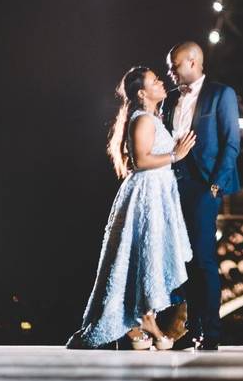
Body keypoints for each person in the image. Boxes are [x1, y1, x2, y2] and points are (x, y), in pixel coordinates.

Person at [66, 66, 197, 350]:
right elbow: (140, 161)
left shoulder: (151, 118)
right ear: (142, 92)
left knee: (145, 256)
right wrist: (176, 154)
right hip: (147, 194)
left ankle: (140, 322)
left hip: (157, 192)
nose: (162, 82)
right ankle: (144, 320)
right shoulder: (143, 120)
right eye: (155, 81)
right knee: (144, 254)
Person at [162, 42, 241, 351]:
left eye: (174, 65)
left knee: (204, 260)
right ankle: (192, 329)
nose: (169, 72)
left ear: (192, 62)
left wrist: (215, 187)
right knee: (184, 262)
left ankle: (210, 332)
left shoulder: (222, 94)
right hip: (174, 185)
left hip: (205, 186)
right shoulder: (169, 100)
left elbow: (231, 143)